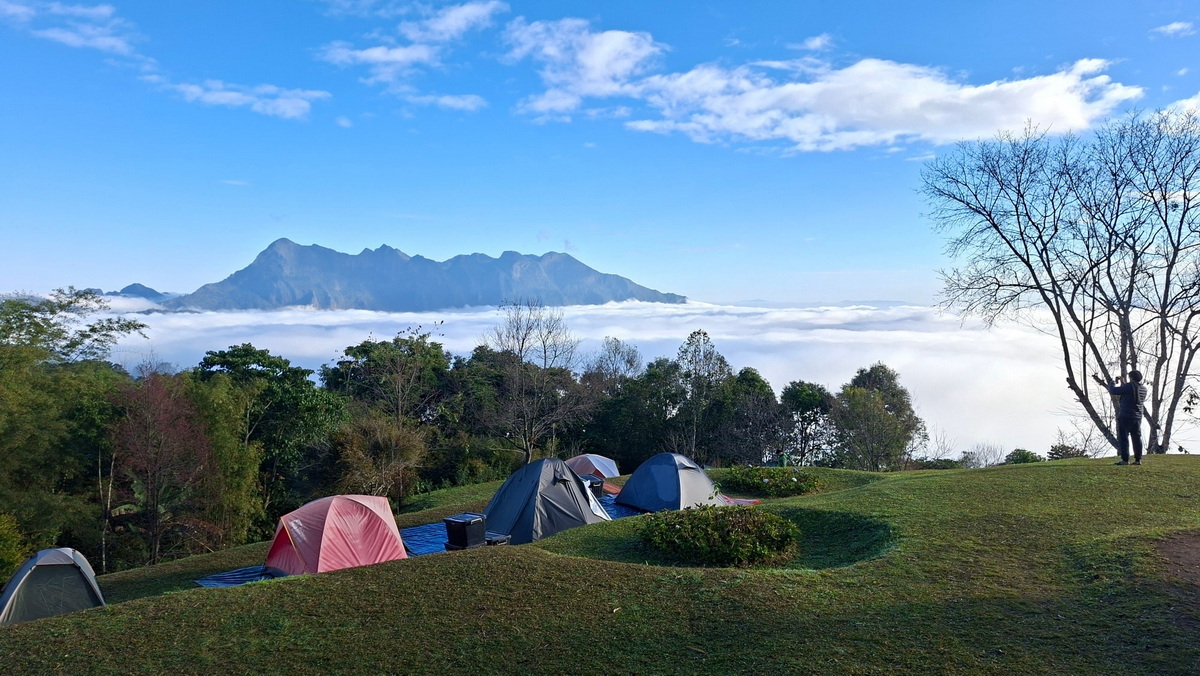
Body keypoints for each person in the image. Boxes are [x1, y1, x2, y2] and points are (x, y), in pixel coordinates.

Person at [1092, 370, 1148, 465]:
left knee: (1123, 438)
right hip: (1137, 416)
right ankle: (1138, 459)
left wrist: (1112, 383)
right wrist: (1124, 384)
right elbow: (1131, 393)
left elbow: (1113, 391)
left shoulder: (1129, 387)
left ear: (1132, 378)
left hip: (1126, 415)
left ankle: (1125, 459)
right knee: (1137, 438)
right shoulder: (1143, 388)